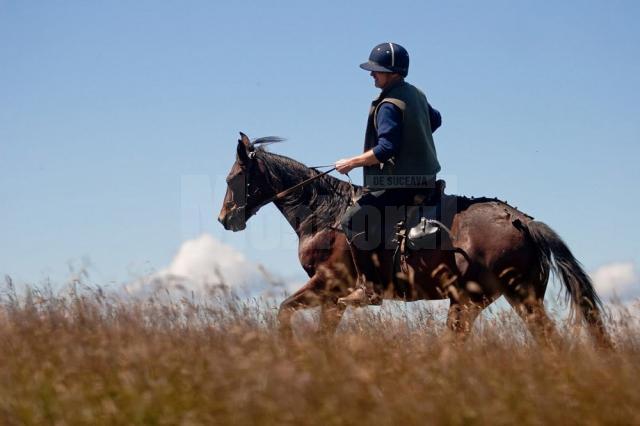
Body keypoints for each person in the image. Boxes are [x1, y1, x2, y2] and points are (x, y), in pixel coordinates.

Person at [335, 42, 442, 306]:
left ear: (393, 72)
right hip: (426, 180)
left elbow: (385, 149)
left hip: (401, 185)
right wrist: (414, 140)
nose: (372, 74)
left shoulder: (389, 105)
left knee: (352, 220)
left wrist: (352, 162)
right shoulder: (415, 93)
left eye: (377, 70)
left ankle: (369, 290)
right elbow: (436, 120)